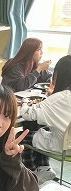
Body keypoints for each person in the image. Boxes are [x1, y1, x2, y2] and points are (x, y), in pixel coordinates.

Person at [20, 55, 71, 184]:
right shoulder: (59, 98)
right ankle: (45, 168)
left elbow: (27, 114)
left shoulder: (59, 98)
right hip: (67, 142)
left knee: (23, 137)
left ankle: (31, 175)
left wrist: (25, 102)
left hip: (63, 146)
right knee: (44, 130)